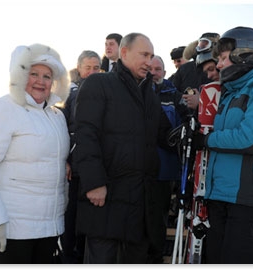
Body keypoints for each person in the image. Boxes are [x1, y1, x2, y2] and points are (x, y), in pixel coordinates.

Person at [0, 44, 70, 264]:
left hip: (50, 228)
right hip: (14, 231)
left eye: (47, 76)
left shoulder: (56, 117)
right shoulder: (2, 108)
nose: (41, 81)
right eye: (34, 74)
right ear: (20, 76)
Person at [74, 33, 172, 264]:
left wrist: (194, 135)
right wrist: (94, 183)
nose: (149, 61)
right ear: (124, 53)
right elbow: (86, 134)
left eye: (151, 56)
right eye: (144, 55)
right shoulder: (99, 83)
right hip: (106, 199)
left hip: (140, 203)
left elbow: (165, 134)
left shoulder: (150, 94)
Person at [193, 26, 253, 263]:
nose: (219, 65)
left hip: (250, 203)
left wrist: (207, 140)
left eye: (224, 58)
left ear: (245, 54)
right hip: (220, 200)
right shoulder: (228, 94)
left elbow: (250, 138)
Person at [59, 50, 101, 263]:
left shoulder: (105, 91)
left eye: (96, 68)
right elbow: (63, 128)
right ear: (80, 69)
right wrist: (66, 159)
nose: (92, 72)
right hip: (75, 166)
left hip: (97, 167)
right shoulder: (71, 93)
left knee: (91, 216)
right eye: (88, 68)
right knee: (72, 215)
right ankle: (69, 258)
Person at [147, 55, 189, 263]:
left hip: (165, 170)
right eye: (151, 69)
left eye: (158, 69)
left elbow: (186, 123)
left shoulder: (174, 95)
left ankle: (154, 260)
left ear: (164, 72)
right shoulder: (137, 91)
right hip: (138, 168)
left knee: (156, 222)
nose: (154, 73)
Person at [180, 33, 220, 111]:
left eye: (211, 69)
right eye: (206, 72)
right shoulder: (185, 69)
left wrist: (201, 104)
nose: (209, 76)